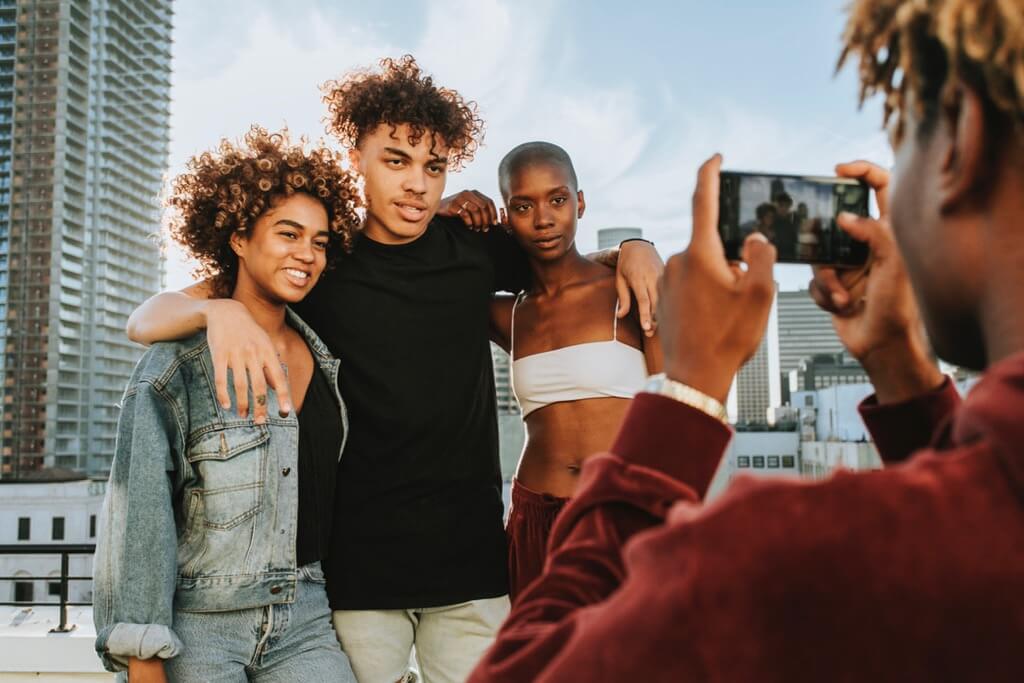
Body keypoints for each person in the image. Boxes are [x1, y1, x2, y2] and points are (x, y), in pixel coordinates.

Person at [468, 0, 1024, 680]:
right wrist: (899, 362)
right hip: (535, 509)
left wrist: (690, 388)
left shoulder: (778, 553)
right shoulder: (976, 522)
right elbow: (979, 501)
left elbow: (528, 669)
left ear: (960, 142)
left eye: (900, 139)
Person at [125, 56, 663, 683]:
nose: (416, 184)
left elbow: (563, 261)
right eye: (396, 160)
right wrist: (217, 313)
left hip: (472, 564)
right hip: (357, 572)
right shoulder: (322, 260)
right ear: (356, 157)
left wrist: (633, 248)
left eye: (433, 166)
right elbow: (147, 317)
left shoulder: (476, 251)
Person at [93, 127, 361, 682]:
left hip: (307, 616)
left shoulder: (325, 350)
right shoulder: (175, 366)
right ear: (239, 238)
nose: (307, 254)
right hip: (199, 627)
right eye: (288, 234)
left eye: (319, 241)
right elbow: (138, 513)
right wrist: (143, 656)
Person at [488, 142, 662, 602]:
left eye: (558, 200)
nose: (543, 219)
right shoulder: (507, 313)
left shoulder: (629, 289)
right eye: (523, 206)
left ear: (580, 203)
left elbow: (674, 411)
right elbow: (429, 272)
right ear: (506, 217)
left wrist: (636, 248)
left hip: (622, 515)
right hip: (535, 520)